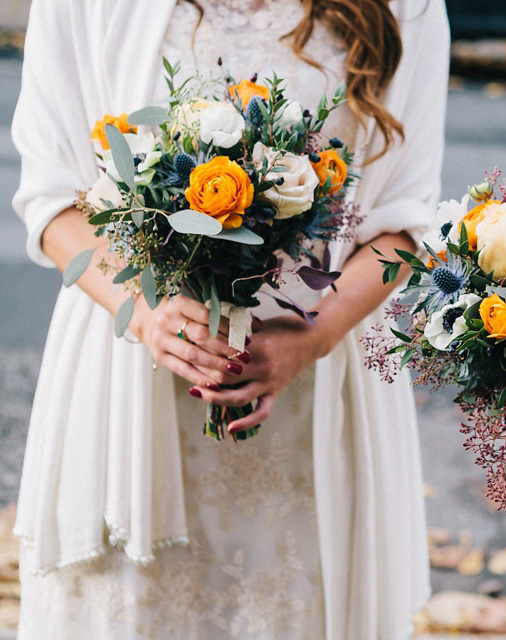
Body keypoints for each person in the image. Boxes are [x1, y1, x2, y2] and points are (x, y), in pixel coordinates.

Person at [11, 0, 448, 637]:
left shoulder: (407, 8)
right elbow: (53, 201)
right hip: (131, 384)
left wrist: (314, 338)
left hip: (308, 397)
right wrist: (146, 314)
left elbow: (405, 223)